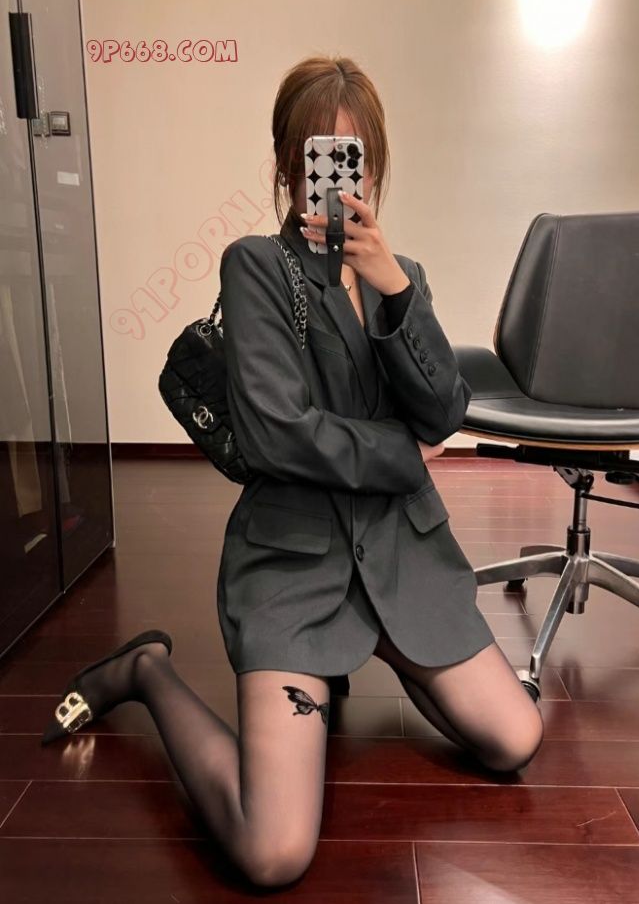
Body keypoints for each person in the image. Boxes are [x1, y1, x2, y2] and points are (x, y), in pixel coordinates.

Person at [40, 54, 544, 889]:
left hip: (400, 557)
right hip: (296, 565)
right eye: (322, 156)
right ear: (288, 166)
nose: (342, 179)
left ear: (375, 166)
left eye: (357, 157)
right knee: (272, 851)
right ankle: (146, 671)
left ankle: (389, 648)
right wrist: (400, 453)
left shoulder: (402, 277)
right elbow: (278, 436)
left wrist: (392, 290)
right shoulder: (256, 267)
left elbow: (444, 412)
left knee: (515, 738)